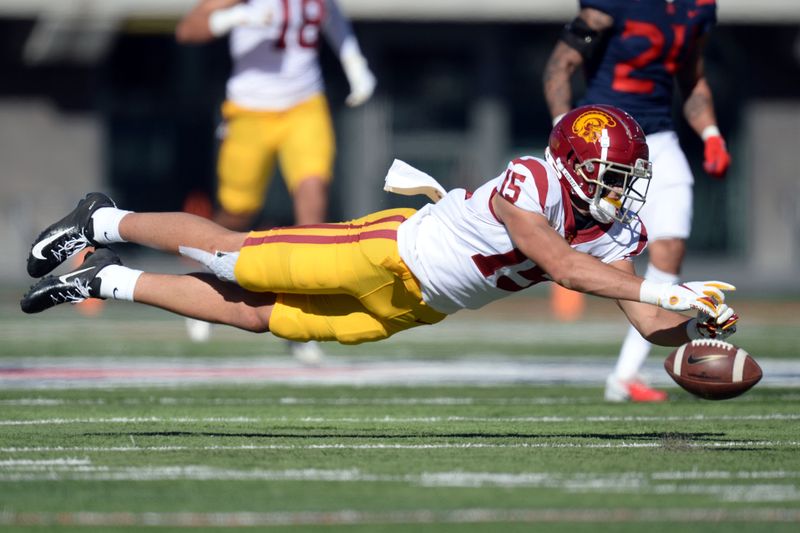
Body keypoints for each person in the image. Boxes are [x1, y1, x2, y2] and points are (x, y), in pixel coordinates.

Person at [21, 105, 738, 359]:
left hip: (417, 305)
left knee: (259, 318)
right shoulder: (535, 180)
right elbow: (564, 267)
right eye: (615, 180)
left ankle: (104, 278)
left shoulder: (609, 230)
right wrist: (678, 292)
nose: (624, 195)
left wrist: (697, 330)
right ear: (579, 169)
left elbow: (647, 321)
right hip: (388, 249)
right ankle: (101, 216)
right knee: (236, 259)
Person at [543, 0, 731, 402]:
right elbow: (561, 64)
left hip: (659, 138)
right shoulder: (614, 3)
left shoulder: (697, 8)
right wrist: (565, 131)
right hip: (605, 138)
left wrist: (711, 132)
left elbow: (692, 78)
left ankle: (625, 374)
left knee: (671, 245)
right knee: (602, 245)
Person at [175, 0, 376, 361]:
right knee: (238, 212)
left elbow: (333, 18)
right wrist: (235, 17)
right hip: (249, 110)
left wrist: (354, 62)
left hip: (305, 105)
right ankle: (203, 286)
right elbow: (188, 30)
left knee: (313, 205)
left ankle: (301, 317)